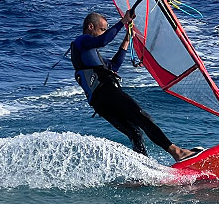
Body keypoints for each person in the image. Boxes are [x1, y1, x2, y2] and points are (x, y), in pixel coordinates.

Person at [71, 10, 203, 162]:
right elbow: (102, 41)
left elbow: (113, 66)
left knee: (135, 132)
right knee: (142, 117)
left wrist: (127, 39)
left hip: (100, 103)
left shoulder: (88, 54)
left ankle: (142, 169)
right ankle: (177, 152)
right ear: (90, 27)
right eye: (102, 29)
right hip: (106, 92)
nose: (104, 33)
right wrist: (123, 21)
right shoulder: (81, 41)